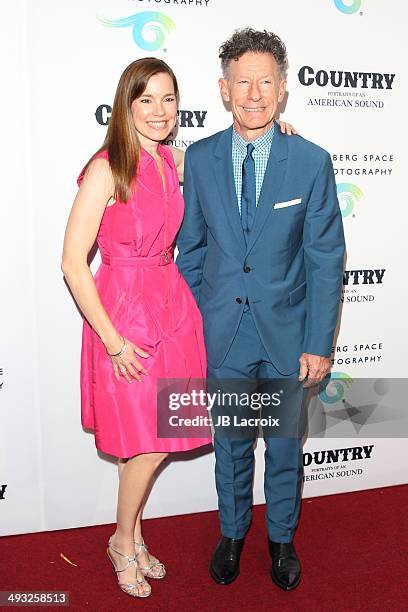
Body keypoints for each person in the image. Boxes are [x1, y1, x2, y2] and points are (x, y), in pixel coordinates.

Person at [176, 28, 345, 591]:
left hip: (288, 335)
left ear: (283, 88)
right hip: (223, 334)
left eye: (265, 81)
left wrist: (319, 341)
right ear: (223, 90)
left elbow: (325, 259)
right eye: (242, 82)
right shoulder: (198, 160)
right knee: (229, 446)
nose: (254, 94)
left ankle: (281, 539)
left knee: (283, 450)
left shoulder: (311, 161)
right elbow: (191, 250)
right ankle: (231, 533)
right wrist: (205, 315)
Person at [61, 58, 214, 599]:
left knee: (154, 440)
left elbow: (231, 160)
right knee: (147, 444)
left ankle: (136, 535)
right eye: (145, 99)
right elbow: (73, 263)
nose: (158, 111)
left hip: (171, 306)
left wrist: (278, 130)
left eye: (168, 99)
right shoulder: (107, 167)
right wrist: (111, 338)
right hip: (123, 315)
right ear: (126, 105)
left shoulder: (175, 161)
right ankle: (122, 541)